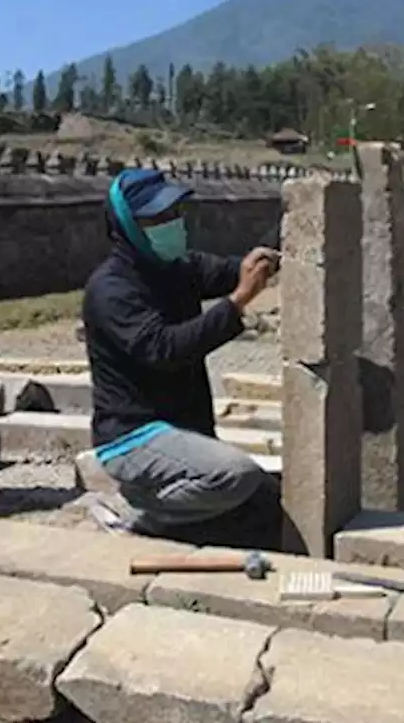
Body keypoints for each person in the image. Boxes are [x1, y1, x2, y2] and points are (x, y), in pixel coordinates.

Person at [82, 167, 282, 547]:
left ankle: (175, 511)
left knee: (266, 500)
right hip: (133, 435)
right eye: (158, 218)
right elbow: (165, 349)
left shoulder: (174, 267)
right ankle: (142, 513)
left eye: (173, 214)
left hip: (179, 427)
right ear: (128, 225)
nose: (171, 224)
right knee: (235, 476)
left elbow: (231, 271)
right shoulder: (112, 289)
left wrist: (278, 242)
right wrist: (238, 301)